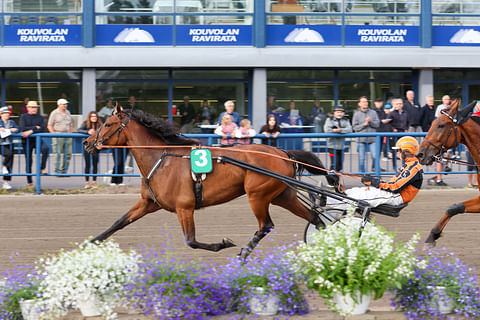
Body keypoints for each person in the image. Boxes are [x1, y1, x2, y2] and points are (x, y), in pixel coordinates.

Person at [327, 136, 423, 210]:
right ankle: (329, 198)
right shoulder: (409, 164)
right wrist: (374, 181)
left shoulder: (413, 168)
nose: (397, 152)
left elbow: (395, 187)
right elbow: (393, 185)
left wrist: (374, 182)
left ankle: (326, 201)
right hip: (392, 194)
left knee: (357, 198)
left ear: (406, 151)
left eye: (399, 150)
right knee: (356, 191)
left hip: (396, 197)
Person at [19, 101, 49, 187]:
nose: (34, 109)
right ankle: (30, 182)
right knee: (29, 161)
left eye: (35, 107)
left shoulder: (40, 117)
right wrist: (35, 127)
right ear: (27, 108)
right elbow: (22, 128)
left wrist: (31, 131)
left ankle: (42, 168)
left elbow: (43, 128)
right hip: (27, 141)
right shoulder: (23, 117)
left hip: (37, 139)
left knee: (45, 148)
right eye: (31, 107)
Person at [352, 96, 380, 173]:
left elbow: (377, 124)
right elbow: (354, 127)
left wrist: (370, 122)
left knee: (375, 156)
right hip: (361, 139)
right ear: (359, 104)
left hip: (372, 138)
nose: (365, 103)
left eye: (366, 101)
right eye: (363, 102)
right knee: (361, 158)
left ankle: (375, 170)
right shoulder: (356, 114)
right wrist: (364, 124)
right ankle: (362, 173)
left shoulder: (373, 112)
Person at [429, 95, 452, 187]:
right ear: (443, 100)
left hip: (447, 136)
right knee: (439, 157)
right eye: (446, 99)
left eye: (448, 99)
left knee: (447, 155)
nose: (447, 100)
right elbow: (438, 119)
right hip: (441, 136)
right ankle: (438, 178)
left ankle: (441, 174)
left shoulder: (450, 108)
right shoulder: (440, 107)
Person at [48, 98, 73, 174]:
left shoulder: (68, 112)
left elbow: (71, 124)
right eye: (63, 104)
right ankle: (57, 170)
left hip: (67, 135)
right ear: (59, 105)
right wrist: (54, 135)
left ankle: (64, 171)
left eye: (66, 104)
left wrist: (70, 134)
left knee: (68, 154)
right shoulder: (54, 113)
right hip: (58, 134)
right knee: (57, 154)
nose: (65, 105)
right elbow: (49, 125)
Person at [324, 105, 352, 172]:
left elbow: (349, 129)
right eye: (338, 112)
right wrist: (333, 130)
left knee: (339, 166)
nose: (339, 114)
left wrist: (340, 130)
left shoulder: (346, 120)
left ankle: (336, 181)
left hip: (341, 146)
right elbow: (326, 129)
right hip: (332, 146)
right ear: (334, 113)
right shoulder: (329, 119)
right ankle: (331, 181)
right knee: (334, 165)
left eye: (341, 112)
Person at [78, 111, 102, 189]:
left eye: (95, 116)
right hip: (87, 146)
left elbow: (104, 131)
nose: (94, 118)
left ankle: (94, 182)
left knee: (95, 164)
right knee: (87, 164)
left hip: (96, 146)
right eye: (92, 116)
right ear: (89, 117)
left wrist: (97, 133)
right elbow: (79, 130)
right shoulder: (85, 123)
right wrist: (87, 131)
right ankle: (87, 182)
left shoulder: (100, 124)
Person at [0, 106, 19, 189]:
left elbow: (18, 129)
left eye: (7, 113)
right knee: (9, 154)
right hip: (1, 144)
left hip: (10, 143)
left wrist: (14, 129)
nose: (6, 115)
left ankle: (6, 182)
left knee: (10, 162)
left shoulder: (11, 122)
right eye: (4, 113)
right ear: (1, 114)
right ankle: (4, 166)